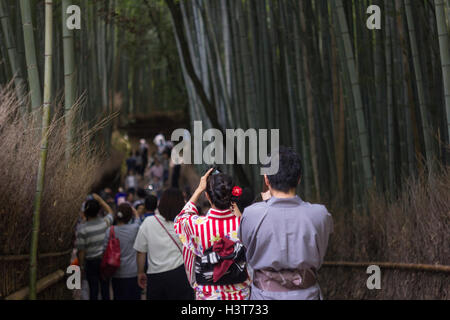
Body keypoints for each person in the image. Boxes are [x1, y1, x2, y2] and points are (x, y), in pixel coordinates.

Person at [238, 146, 334, 300]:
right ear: (299, 178)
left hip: (263, 297)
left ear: (266, 179)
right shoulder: (320, 214)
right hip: (308, 295)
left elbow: (245, 245)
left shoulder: (251, 214)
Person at [174, 169, 251, 300]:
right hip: (240, 296)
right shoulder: (245, 225)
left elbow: (180, 219)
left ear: (208, 196)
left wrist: (199, 189)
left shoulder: (197, 225)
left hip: (208, 295)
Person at [134, 189, 194, 300]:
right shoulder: (184, 223)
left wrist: (140, 272)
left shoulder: (149, 222)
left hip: (155, 277)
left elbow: (141, 251)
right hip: (180, 275)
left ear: (160, 203)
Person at [75, 193, 114, 300]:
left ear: (85, 212)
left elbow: (81, 251)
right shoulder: (105, 223)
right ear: (98, 211)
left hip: (91, 262)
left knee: (93, 289)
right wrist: (101, 200)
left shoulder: (83, 229)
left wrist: (81, 266)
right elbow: (111, 212)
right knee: (105, 288)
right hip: (105, 261)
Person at [103, 203, 141, 300]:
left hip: (116, 272)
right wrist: (135, 212)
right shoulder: (134, 229)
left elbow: (104, 250)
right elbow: (138, 220)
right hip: (132, 272)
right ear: (129, 216)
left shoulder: (110, 230)